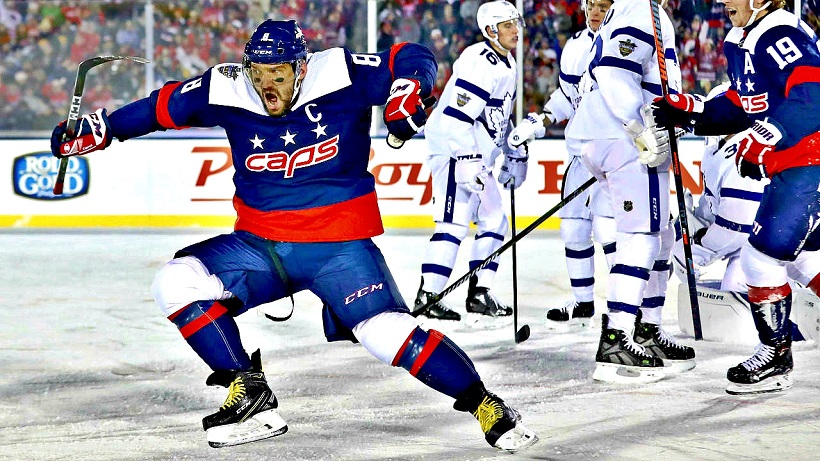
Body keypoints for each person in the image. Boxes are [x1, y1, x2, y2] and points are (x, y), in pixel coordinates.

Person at [50, 19, 538, 451]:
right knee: (174, 283)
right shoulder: (228, 85)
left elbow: (415, 56)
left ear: (301, 67)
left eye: (278, 74)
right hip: (260, 246)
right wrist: (102, 128)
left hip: (338, 246)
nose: (267, 86)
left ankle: (487, 406)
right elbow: (163, 106)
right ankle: (250, 393)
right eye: (259, 74)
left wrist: (409, 87)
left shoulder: (339, 71)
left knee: (387, 335)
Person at [648, 0, 820, 394]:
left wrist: (767, 136)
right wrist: (691, 112)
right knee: (807, 258)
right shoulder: (742, 37)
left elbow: (813, 96)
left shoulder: (778, 32)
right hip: (796, 160)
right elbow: (744, 104)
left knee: (760, 259)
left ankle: (775, 355)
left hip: (808, 159)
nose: (725, 1)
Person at [560, 0, 696, 383]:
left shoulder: (630, 10)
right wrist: (642, 128)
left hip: (599, 136)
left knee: (660, 231)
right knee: (642, 236)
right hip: (622, 137)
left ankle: (647, 328)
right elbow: (613, 70)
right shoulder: (642, 9)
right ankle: (619, 336)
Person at [413, 0, 527, 326]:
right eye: (507, 25)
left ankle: (479, 293)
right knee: (453, 223)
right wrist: (468, 159)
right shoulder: (480, 60)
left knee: (495, 221)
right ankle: (428, 295)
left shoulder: (508, 63)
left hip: (474, 155)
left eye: (515, 23)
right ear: (490, 30)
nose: (514, 30)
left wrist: (512, 147)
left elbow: (495, 119)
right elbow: (457, 118)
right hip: (455, 151)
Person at [509, 0, 617, 332]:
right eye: (590, 5)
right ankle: (583, 301)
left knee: (609, 231)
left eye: (602, 5)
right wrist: (537, 122)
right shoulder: (576, 46)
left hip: (616, 156)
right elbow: (567, 97)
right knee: (572, 227)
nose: (594, 11)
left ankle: (625, 307)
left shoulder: (628, 39)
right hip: (581, 154)